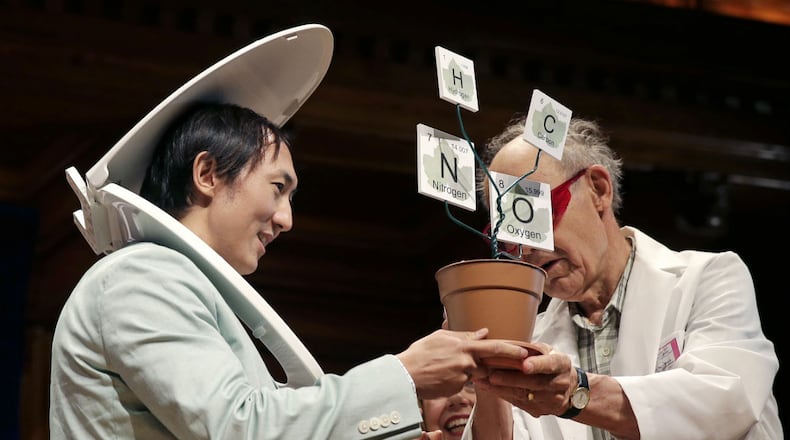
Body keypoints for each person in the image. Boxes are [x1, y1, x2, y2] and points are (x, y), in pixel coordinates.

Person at [49, 102, 531, 439]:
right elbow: (241, 426)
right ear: (208, 174)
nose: (286, 219)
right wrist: (405, 374)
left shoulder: (177, 284)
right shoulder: (143, 276)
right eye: (277, 187)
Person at [462, 115, 782, 439]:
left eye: (531, 215)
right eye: (508, 234)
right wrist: (487, 378)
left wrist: (576, 393)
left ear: (598, 189)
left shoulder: (709, 278)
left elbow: (725, 401)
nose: (524, 249)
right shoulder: (532, 340)